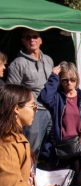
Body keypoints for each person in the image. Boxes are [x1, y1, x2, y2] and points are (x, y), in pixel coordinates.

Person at [7, 29, 54, 159]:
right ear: (23, 41)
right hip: (33, 112)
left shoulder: (48, 60)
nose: (32, 40)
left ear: (41, 40)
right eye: (28, 37)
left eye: (35, 36)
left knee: (50, 150)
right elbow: (12, 93)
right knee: (31, 150)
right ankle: (27, 171)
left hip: (51, 110)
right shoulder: (18, 64)